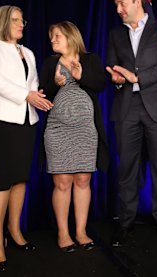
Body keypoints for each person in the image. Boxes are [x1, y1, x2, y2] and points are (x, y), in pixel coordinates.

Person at [0, 5, 53, 271]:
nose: (22, 24)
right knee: (3, 177)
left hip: (27, 120)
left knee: (21, 176)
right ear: (2, 22)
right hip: (1, 121)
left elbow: (31, 84)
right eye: (15, 20)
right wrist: (26, 95)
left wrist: (37, 96)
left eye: (23, 20)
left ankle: (15, 230)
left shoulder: (28, 52)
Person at [106, 0, 157, 247]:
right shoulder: (115, 34)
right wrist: (116, 79)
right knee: (126, 168)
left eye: (122, 3)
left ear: (138, 2)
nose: (118, 9)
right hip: (126, 108)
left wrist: (138, 77)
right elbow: (113, 69)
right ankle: (125, 223)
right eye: (116, 4)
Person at [39, 21, 109, 252]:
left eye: (57, 35)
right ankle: (63, 233)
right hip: (58, 129)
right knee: (62, 182)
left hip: (86, 130)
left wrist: (80, 76)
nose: (53, 40)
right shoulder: (50, 63)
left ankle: (80, 231)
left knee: (83, 180)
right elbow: (42, 94)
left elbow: (100, 84)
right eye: (51, 37)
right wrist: (55, 83)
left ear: (70, 36)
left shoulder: (90, 59)